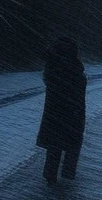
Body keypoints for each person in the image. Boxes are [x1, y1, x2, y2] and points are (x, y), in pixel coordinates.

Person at [36, 37, 87, 183]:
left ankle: (51, 173)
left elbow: (50, 81)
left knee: (54, 144)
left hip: (55, 110)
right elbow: (79, 85)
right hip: (73, 109)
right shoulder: (75, 67)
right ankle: (67, 173)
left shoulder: (52, 66)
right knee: (72, 142)